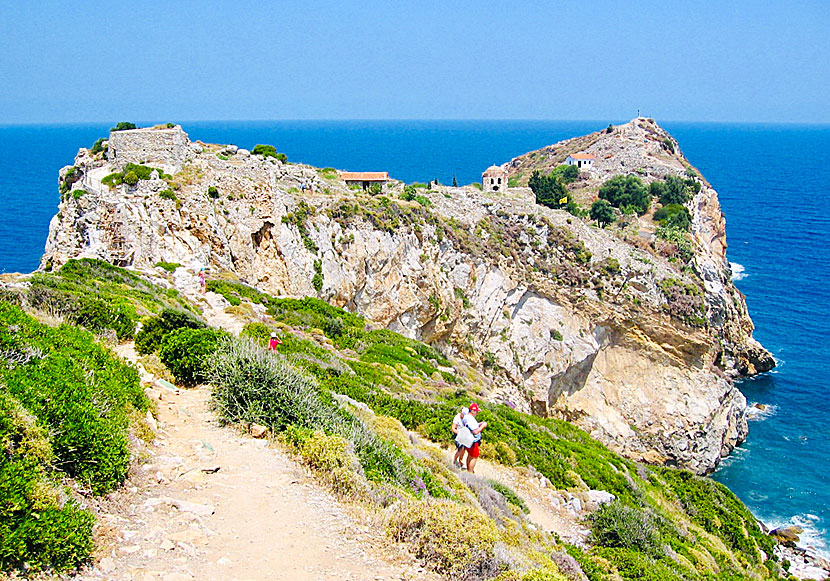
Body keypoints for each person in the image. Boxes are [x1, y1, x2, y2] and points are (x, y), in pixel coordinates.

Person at [463, 403, 488, 474]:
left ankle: (468, 470)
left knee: (470, 455)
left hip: (468, 439)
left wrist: (479, 424)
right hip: (473, 441)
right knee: (474, 456)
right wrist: (483, 426)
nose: (477, 413)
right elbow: (475, 431)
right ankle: (470, 472)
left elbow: (472, 426)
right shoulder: (470, 419)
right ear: (472, 411)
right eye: (476, 411)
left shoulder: (467, 417)